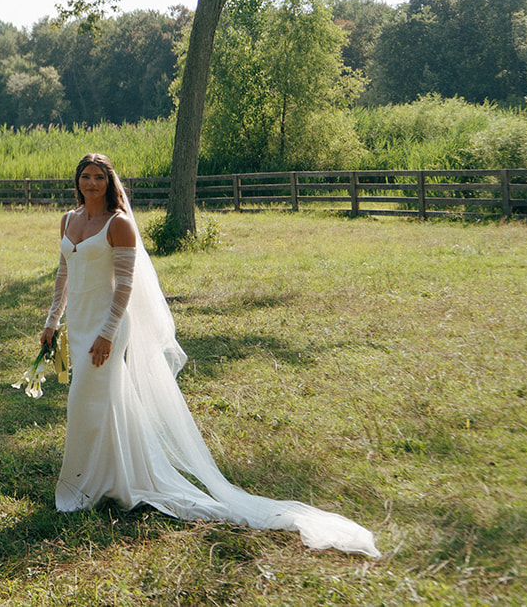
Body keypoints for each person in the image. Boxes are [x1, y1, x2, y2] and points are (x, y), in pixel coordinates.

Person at [38, 152, 379, 557]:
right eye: (85, 176)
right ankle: (113, 478)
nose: (91, 183)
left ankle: (83, 487)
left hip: (106, 328)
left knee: (85, 402)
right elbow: (64, 273)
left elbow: (126, 286)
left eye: (98, 177)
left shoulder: (120, 224)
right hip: (77, 326)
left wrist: (109, 333)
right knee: (105, 403)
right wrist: (51, 320)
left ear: (109, 183)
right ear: (77, 181)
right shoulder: (68, 220)